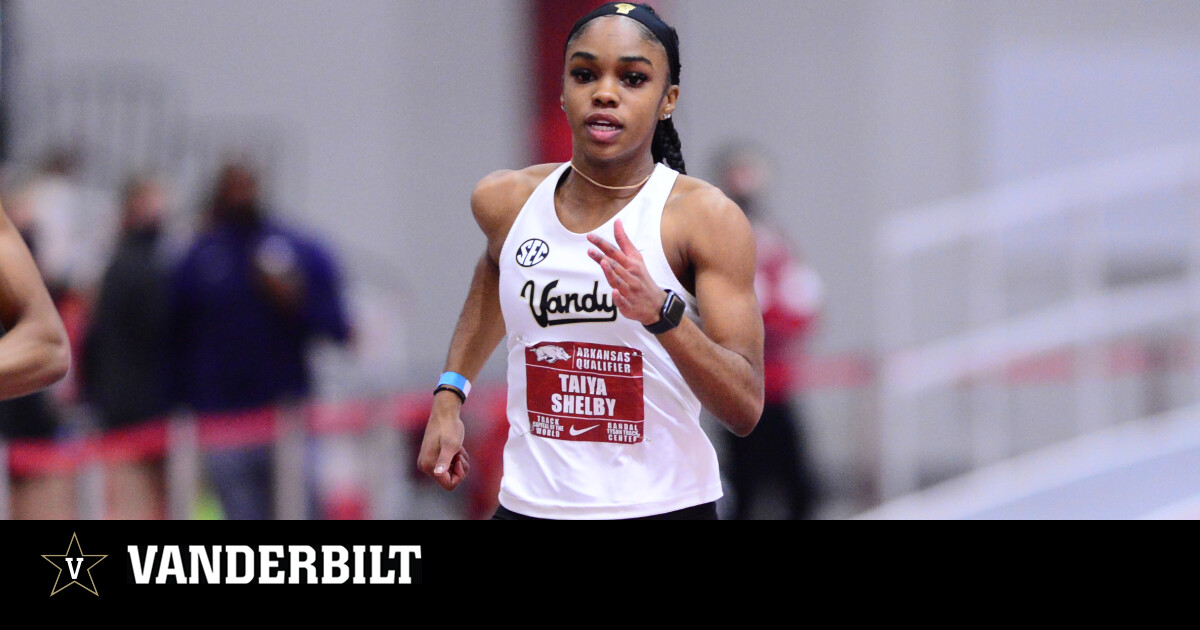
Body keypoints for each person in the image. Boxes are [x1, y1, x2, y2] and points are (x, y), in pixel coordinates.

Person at [418, 2, 764, 520]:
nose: (605, 92)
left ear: (667, 99)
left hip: (661, 506)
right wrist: (450, 394)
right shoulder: (506, 201)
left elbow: (744, 407)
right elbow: (497, 273)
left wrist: (663, 314)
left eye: (632, 78)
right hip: (531, 505)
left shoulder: (703, 218)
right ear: (563, 90)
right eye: (584, 74)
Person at [169, 162, 352, 520]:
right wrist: (180, 409)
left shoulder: (293, 249)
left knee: (299, 510)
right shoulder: (199, 257)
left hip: (286, 416)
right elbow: (174, 340)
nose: (242, 195)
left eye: (248, 185)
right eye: (234, 186)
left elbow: (337, 327)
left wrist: (292, 298)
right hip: (223, 422)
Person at [714, 143, 823, 520]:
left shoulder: (775, 238)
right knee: (743, 485)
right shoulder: (716, 235)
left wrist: (779, 324)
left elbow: (803, 302)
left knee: (796, 486)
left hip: (775, 384)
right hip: (736, 381)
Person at [81, 175, 174, 519]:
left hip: (121, 405)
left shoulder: (120, 264)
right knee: (137, 501)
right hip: (138, 410)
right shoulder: (141, 266)